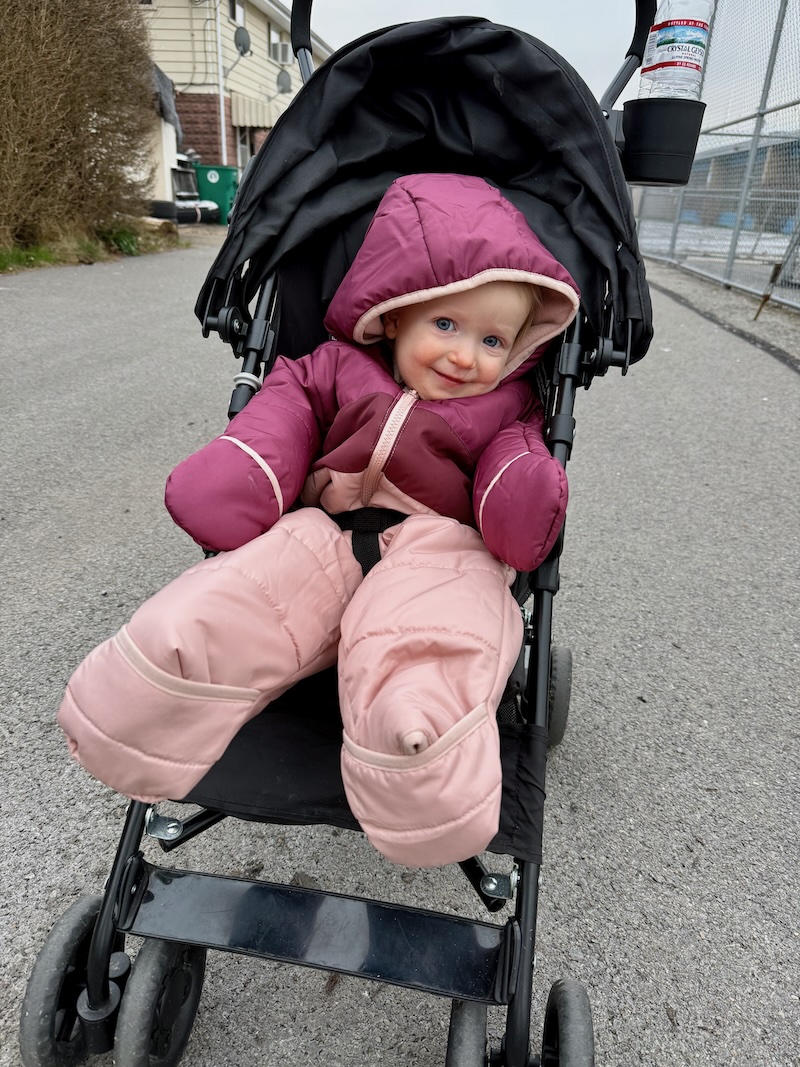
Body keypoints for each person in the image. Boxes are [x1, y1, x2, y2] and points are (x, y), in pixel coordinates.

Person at [58, 173, 580, 867]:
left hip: (440, 543)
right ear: (396, 313)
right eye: (446, 325)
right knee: (244, 594)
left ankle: (419, 747)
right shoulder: (335, 368)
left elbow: (513, 472)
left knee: (433, 629)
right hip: (323, 529)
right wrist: (241, 467)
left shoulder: (507, 409)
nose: (464, 356)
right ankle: (155, 677)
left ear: (517, 348)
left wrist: (525, 489)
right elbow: (283, 414)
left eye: (492, 341)